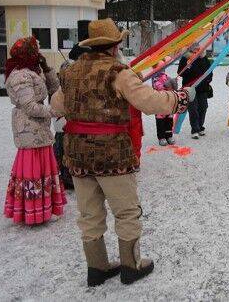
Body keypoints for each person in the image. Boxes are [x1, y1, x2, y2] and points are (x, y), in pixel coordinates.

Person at [51, 18, 191, 286]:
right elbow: (149, 102)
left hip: (78, 153)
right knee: (126, 211)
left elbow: (57, 106)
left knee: (89, 213)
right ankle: (131, 265)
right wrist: (180, 98)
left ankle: (97, 267)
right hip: (111, 153)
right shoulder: (118, 72)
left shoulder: (69, 73)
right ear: (115, 45)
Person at [4, 36, 67, 225]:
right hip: (28, 128)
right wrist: (55, 111)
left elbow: (54, 89)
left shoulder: (33, 70)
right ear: (28, 53)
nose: (39, 53)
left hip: (39, 127)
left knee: (43, 169)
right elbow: (30, 106)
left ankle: (43, 208)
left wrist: (47, 69)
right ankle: (31, 211)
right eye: (36, 50)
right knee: (32, 170)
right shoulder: (21, 75)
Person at [53, 43, 91, 191]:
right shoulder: (71, 68)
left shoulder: (70, 67)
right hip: (64, 112)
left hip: (66, 111)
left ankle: (68, 175)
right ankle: (66, 177)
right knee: (63, 144)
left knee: (65, 144)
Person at [178, 47, 213, 139]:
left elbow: (209, 70)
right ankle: (195, 129)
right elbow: (180, 72)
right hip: (190, 88)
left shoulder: (203, 57)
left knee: (203, 107)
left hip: (202, 88)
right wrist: (188, 66)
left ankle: (200, 126)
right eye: (194, 48)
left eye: (198, 48)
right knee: (193, 109)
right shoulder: (185, 58)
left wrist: (208, 79)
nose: (196, 49)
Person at [152, 60, 178, 146]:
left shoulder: (166, 76)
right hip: (159, 103)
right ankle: (161, 137)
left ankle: (169, 136)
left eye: (163, 67)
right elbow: (158, 86)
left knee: (169, 120)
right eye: (161, 67)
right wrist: (166, 85)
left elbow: (173, 88)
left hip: (168, 102)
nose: (163, 70)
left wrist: (174, 82)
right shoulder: (154, 77)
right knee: (160, 121)